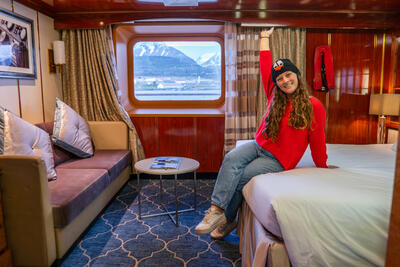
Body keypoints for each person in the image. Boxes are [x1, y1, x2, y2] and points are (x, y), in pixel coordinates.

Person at [194, 27, 329, 240]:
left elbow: (318, 140)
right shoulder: (274, 95)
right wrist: (264, 37)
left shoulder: (314, 105)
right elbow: (266, 65)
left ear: (297, 75)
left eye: (288, 75)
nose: (284, 80)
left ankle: (229, 221)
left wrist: (323, 166)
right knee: (231, 159)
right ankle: (216, 211)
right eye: (280, 78)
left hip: (278, 159)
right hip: (258, 146)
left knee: (242, 178)